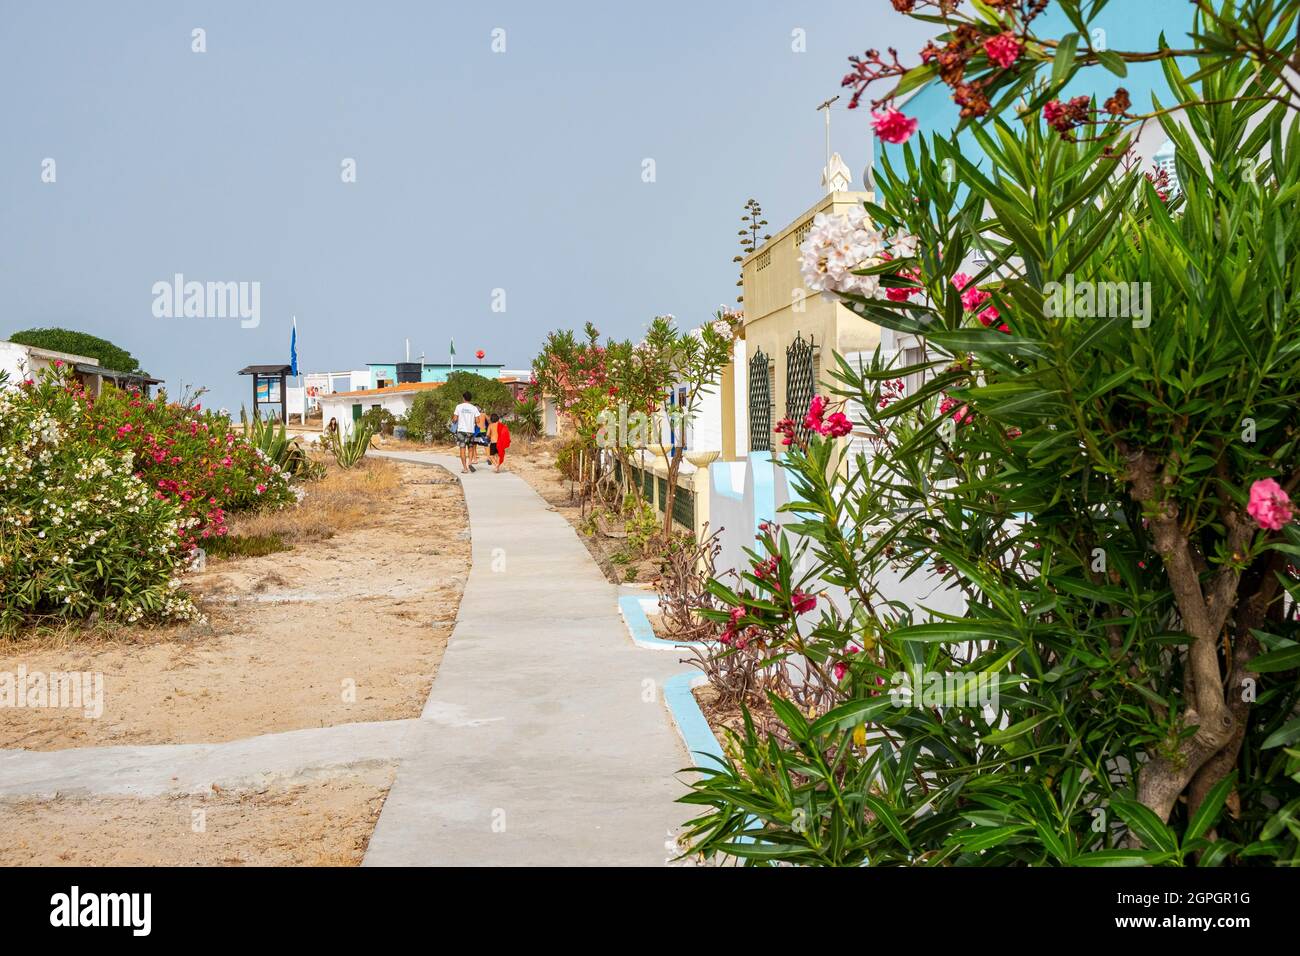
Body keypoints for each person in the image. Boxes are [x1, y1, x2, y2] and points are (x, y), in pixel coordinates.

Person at [453, 391, 480, 473]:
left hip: (461, 431)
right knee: (471, 448)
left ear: (463, 398)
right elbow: (478, 420)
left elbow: (454, 419)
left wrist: (454, 422)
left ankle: (465, 468)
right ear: (470, 399)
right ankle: (470, 463)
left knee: (462, 449)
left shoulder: (459, 407)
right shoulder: (474, 408)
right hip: (470, 431)